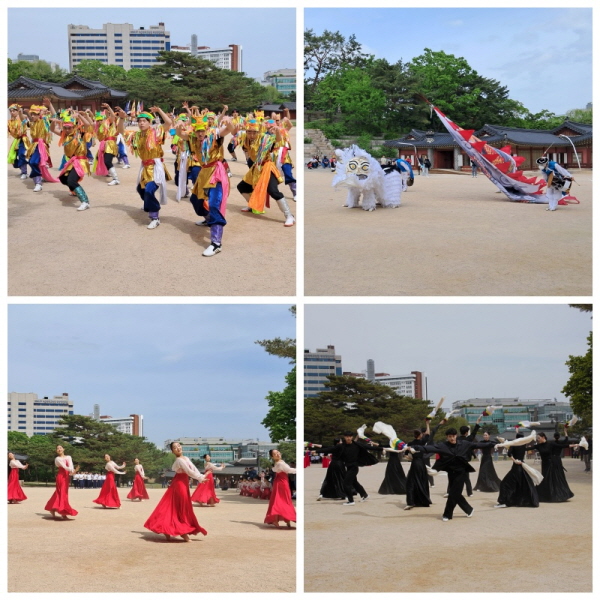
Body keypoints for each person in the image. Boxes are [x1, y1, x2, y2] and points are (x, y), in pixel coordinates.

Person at [182, 110, 235, 256]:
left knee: (214, 204)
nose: (200, 133)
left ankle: (216, 243)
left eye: (202, 130)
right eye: (197, 131)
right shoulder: (193, 139)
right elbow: (180, 134)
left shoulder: (215, 136)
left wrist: (229, 122)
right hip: (203, 172)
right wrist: (179, 127)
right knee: (195, 200)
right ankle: (209, 219)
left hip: (216, 173)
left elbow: (229, 130)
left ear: (207, 129)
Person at [416, 428, 497, 520]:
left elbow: (478, 444)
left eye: (453, 436)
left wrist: (495, 444)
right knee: (455, 493)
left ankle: (447, 514)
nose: (452, 438)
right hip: (451, 472)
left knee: (453, 494)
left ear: (456, 436)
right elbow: (430, 448)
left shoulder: (464, 444)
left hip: (461, 472)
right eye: (450, 437)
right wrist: (415, 448)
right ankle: (469, 509)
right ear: (447, 437)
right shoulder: (443, 446)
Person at [144, 441, 207, 542]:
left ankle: (171, 529)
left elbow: (193, 468)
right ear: (172, 451)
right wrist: (199, 478)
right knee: (181, 506)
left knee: (180, 506)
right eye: (175, 447)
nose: (178, 448)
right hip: (179, 484)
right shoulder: (179, 461)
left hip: (184, 483)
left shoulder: (186, 458)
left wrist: (201, 476)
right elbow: (188, 471)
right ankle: (182, 532)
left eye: (179, 446)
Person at [237, 119, 295, 227]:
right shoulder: (245, 139)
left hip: (267, 167)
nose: (251, 134)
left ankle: (289, 215)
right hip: (256, 168)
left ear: (258, 131)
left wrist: (277, 131)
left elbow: (278, 140)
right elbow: (233, 133)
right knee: (242, 187)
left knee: (273, 191)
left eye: (254, 132)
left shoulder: (265, 138)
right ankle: (252, 205)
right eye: (249, 131)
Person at [129, 107, 174, 229]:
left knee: (149, 190)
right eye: (140, 121)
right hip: (145, 167)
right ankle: (148, 204)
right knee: (140, 189)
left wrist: (159, 110)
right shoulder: (136, 135)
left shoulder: (156, 132)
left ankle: (155, 216)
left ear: (149, 122)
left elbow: (169, 123)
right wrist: (122, 119)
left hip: (155, 167)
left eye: (144, 121)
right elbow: (121, 131)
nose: (141, 123)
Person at [51, 110, 94, 210]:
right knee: (63, 178)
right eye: (65, 127)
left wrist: (79, 115)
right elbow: (52, 129)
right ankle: (75, 190)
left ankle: (85, 201)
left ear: (73, 127)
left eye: (69, 127)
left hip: (80, 161)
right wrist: (54, 122)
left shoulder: (80, 134)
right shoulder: (64, 135)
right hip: (72, 161)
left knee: (71, 180)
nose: (67, 129)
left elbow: (88, 125)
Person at [494, 433, 541, 508]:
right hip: (522, 466)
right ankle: (518, 500)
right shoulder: (523, 445)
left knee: (504, 483)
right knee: (522, 484)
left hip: (516, 467)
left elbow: (509, 454)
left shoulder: (514, 445)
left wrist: (514, 460)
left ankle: (504, 501)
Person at [92, 103, 124, 186]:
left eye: (100, 119)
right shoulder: (99, 129)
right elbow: (100, 139)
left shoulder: (108, 123)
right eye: (97, 120)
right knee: (103, 160)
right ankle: (109, 173)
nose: (99, 121)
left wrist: (109, 107)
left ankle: (116, 179)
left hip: (110, 144)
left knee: (107, 161)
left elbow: (113, 116)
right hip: (104, 145)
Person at [44, 445, 79, 519]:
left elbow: (71, 465)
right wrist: (72, 471)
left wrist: (73, 471)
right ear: (56, 451)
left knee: (61, 493)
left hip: (66, 477)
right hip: (61, 477)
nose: (59, 449)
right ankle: (63, 512)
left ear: (63, 449)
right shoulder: (57, 459)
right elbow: (65, 467)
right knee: (62, 493)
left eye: (60, 448)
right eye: (57, 448)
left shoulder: (68, 457)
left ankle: (52, 508)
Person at [264, 449, 296, 528]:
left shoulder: (278, 463)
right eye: (275, 454)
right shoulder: (280, 463)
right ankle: (286, 518)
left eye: (278, 452)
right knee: (284, 500)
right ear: (272, 457)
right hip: (282, 483)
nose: (278, 454)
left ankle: (283, 519)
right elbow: (289, 470)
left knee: (279, 499)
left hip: (280, 482)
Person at [7, 104, 30, 180]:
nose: (12, 112)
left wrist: (20, 112)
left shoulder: (21, 119)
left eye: (14, 111)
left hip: (23, 139)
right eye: (11, 111)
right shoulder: (9, 122)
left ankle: (24, 172)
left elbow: (23, 119)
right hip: (16, 140)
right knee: (12, 157)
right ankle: (22, 169)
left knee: (21, 154)